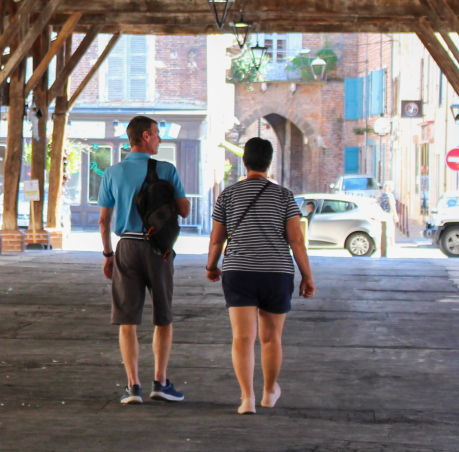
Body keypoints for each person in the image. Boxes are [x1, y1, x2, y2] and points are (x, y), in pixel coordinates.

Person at [205, 138, 315, 414]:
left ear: (245, 161)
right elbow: (296, 241)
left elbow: (216, 239)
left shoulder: (228, 195)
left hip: (239, 271)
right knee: (271, 338)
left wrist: (211, 266)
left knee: (242, 338)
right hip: (276, 273)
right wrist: (307, 276)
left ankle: (246, 399)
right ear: (270, 162)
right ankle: (269, 391)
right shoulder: (284, 196)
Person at [99, 116, 191, 404]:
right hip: (158, 249)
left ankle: (133, 387)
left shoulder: (112, 173)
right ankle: (160, 382)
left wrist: (108, 254)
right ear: (145, 136)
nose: (160, 139)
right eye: (156, 134)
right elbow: (185, 211)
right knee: (163, 318)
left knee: (128, 320)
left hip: (126, 246)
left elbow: (104, 221)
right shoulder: (166, 170)